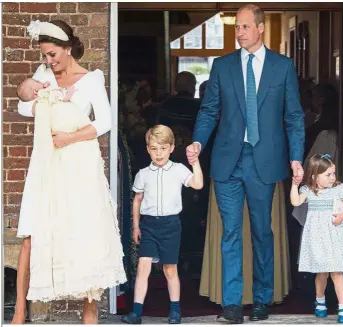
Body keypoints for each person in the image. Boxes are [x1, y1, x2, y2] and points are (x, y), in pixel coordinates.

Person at [186, 4, 305, 323]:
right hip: (227, 161)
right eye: (237, 27)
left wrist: (296, 157)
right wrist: (198, 141)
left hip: (264, 161)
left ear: (261, 28)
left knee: (262, 232)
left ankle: (263, 299)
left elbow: (293, 116)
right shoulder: (222, 66)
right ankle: (233, 305)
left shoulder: (282, 67)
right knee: (231, 234)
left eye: (244, 27)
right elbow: (209, 111)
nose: (239, 32)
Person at [14, 19, 127, 324]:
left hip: (78, 162)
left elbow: (104, 122)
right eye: (45, 56)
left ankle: (89, 310)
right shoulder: (44, 75)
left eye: (52, 54)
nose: (48, 61)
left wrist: (68, 137)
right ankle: (20, 312)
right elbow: (23, 105)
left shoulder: (90, 79)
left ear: (67, 48)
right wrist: (44, 103)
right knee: (32, 234)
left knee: (86, 232)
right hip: (47, 162)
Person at [121, 125, 204, 325]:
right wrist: (136, 227)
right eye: (154, 149)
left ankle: (175, 310)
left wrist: (195, 162)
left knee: (170, 269)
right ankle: (136, 312)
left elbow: (198, 184)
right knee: (143, 268)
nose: (158, 154)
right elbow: (137, 200)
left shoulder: (178, 170)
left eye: (163, 148)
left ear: (171, 148)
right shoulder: (143, 174)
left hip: (170, 225)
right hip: (149, 225)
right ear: (148, 149)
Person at [290, 154, 343, 323]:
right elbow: (295, 202)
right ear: (315, 176)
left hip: (335, 234)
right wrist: (295, 185)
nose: (333, 177)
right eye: (328, 175)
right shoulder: (308, 191)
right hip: (318, 236)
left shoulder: (339, 189)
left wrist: (341, 216)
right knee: (322, 271)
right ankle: (320, 300)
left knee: (337, 272)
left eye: (333, 173)